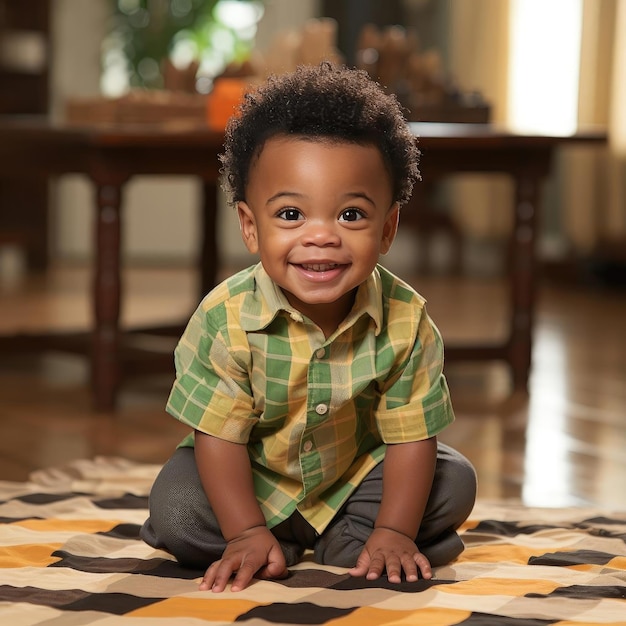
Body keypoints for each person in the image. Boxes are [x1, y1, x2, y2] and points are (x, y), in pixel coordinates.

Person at [140, 62, 476, 593]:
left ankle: (362, 536)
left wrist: (393, 528)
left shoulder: (407, 320)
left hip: (355, 478)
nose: (321, 237)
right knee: (176, 508)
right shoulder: (224, 318)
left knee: (453, 480)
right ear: (251, 227)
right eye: (292, 215)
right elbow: (218, 437)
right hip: (248, 480)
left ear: (387, 228)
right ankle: (267, 541)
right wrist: (245, 529)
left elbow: (412, 437)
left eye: (350, 216)